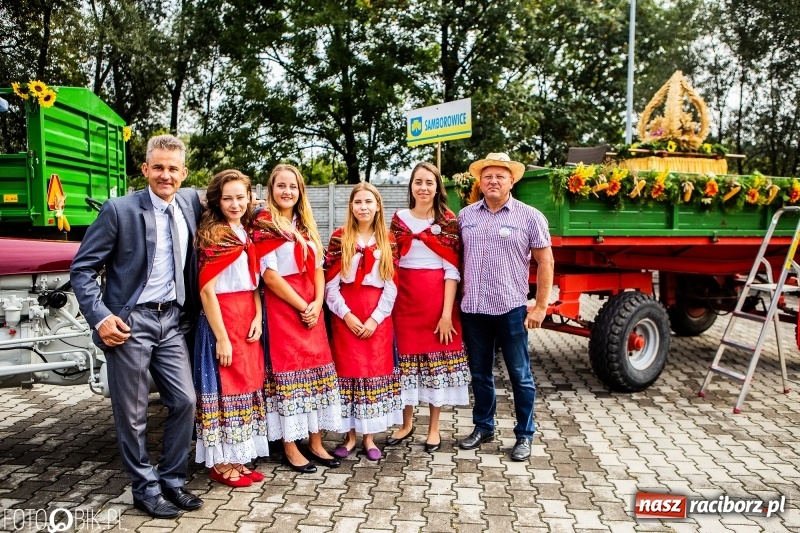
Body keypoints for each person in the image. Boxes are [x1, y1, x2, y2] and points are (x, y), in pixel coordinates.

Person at [70, 135, 204, 518]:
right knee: (132, 412)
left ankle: (173, 479)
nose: (165, 175)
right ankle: (144, 488)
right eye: (158, 167)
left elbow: (234, 197)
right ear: (145, 169)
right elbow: (82, 269)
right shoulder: (118, 210)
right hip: (129, 322)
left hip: (173, 320)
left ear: (184, 173)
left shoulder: (190, 203)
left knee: (185, 401)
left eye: (173, 169)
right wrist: (100, 317)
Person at [457, 152, 554, 462]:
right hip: (473, 308)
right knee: (480, 373)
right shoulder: (466, 216)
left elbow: (545, 261)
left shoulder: (530, 217)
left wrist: (540, 306)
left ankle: (524, 435)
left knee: (520, 376)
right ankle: (483, 427)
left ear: (512, 180)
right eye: (488, 176)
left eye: (500, 175)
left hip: (511, 308)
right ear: (480, 182)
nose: (494, 180)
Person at [251, 164, 342, 474]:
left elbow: (318, 267)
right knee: (288, 374)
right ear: (271, 190)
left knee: (315, 372)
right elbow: (270, 275)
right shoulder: (265, 223)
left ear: (300, 191)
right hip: (283, 305)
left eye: (293, 186)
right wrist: (303, 304)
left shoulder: (305, 224)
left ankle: (316, 442)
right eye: (281, 186)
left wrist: (317, 303)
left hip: (311, 304)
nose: (287, 191)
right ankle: (290, 445)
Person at [387, 162, 470, 452]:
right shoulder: (398, 219)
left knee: (437, 364)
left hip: (436, 300)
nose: (423, 187)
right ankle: (406, 423)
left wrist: (447, 314)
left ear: (437, 188)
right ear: (411, 186)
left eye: (429, 183)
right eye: (418, 182)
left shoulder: (448, 221)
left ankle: (434, 428)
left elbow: (452, 271)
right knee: (406, 364)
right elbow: (391, 261)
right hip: (403, 299)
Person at [194, 169, 268, 487]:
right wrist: (221, 338)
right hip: (220, 320)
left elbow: (253, 282)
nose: (235, 204)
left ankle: (238, 456)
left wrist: (257, 316)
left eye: (241, 197)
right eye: (228, 198)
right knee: (224, 391)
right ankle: (220, 462)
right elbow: (206, 290)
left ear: (249, 198)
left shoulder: (246, 232)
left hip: (245, 317)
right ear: (217, 201)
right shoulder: (215, 235)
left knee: (246, 387)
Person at [325, 183, 403, 461]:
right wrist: (346, 315)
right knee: (348, 373)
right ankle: (349, 437)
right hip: (346, 315)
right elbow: (330, 284)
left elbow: (392, 286)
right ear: (351, 207)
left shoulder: (388, 240)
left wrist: (375, 318)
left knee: (372, 373)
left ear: (378, 206)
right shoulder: (339, 239)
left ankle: (370, 437)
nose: (363, 207)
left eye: (369, 202)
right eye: (358, 202)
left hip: (376, 318)